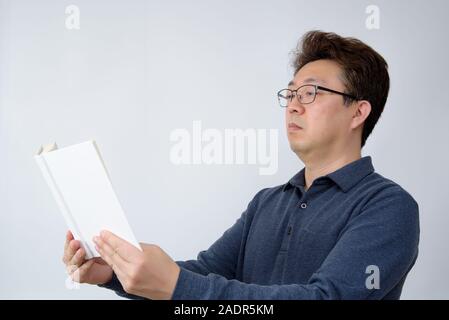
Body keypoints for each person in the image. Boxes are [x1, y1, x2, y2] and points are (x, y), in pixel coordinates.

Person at [62, 30, 419, 300]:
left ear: (359, 111)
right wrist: (115, 273)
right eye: (290, 94)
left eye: (310, 92)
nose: (293, 105)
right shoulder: (266, 202)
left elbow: (325, 298)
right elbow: (204, 274)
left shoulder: (389, 207)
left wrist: (176, 285)